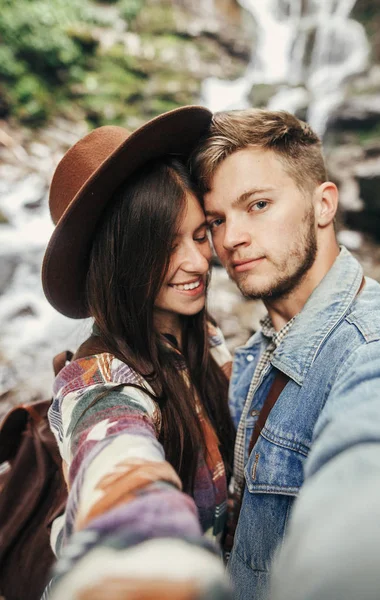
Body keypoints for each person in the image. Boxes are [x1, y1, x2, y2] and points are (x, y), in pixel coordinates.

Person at [189, 108, 380, 600]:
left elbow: (371, 461)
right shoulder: (262, 344)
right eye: (216, 220)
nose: (230, 239)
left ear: (324, 204)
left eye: (258, 205)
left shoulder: (377, 348)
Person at [40, 106, 236, 599]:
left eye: (198, 235)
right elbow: (118, 458)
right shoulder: (98, 382)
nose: (198, 262)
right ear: (122, 260)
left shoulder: (201, 333)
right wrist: (138, 554)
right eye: (167, 246)